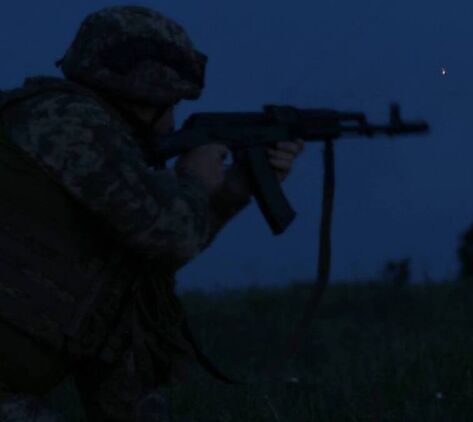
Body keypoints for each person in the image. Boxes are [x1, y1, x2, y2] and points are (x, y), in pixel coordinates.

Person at [0, 5, 304, 421]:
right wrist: (195, 180)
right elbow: (169, 235)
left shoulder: (63, 122)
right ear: (142, 98)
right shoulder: (67, 123)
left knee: (133, 291)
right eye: (169, 104)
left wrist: (235, 188)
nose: (172, 123)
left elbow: (158, 249)